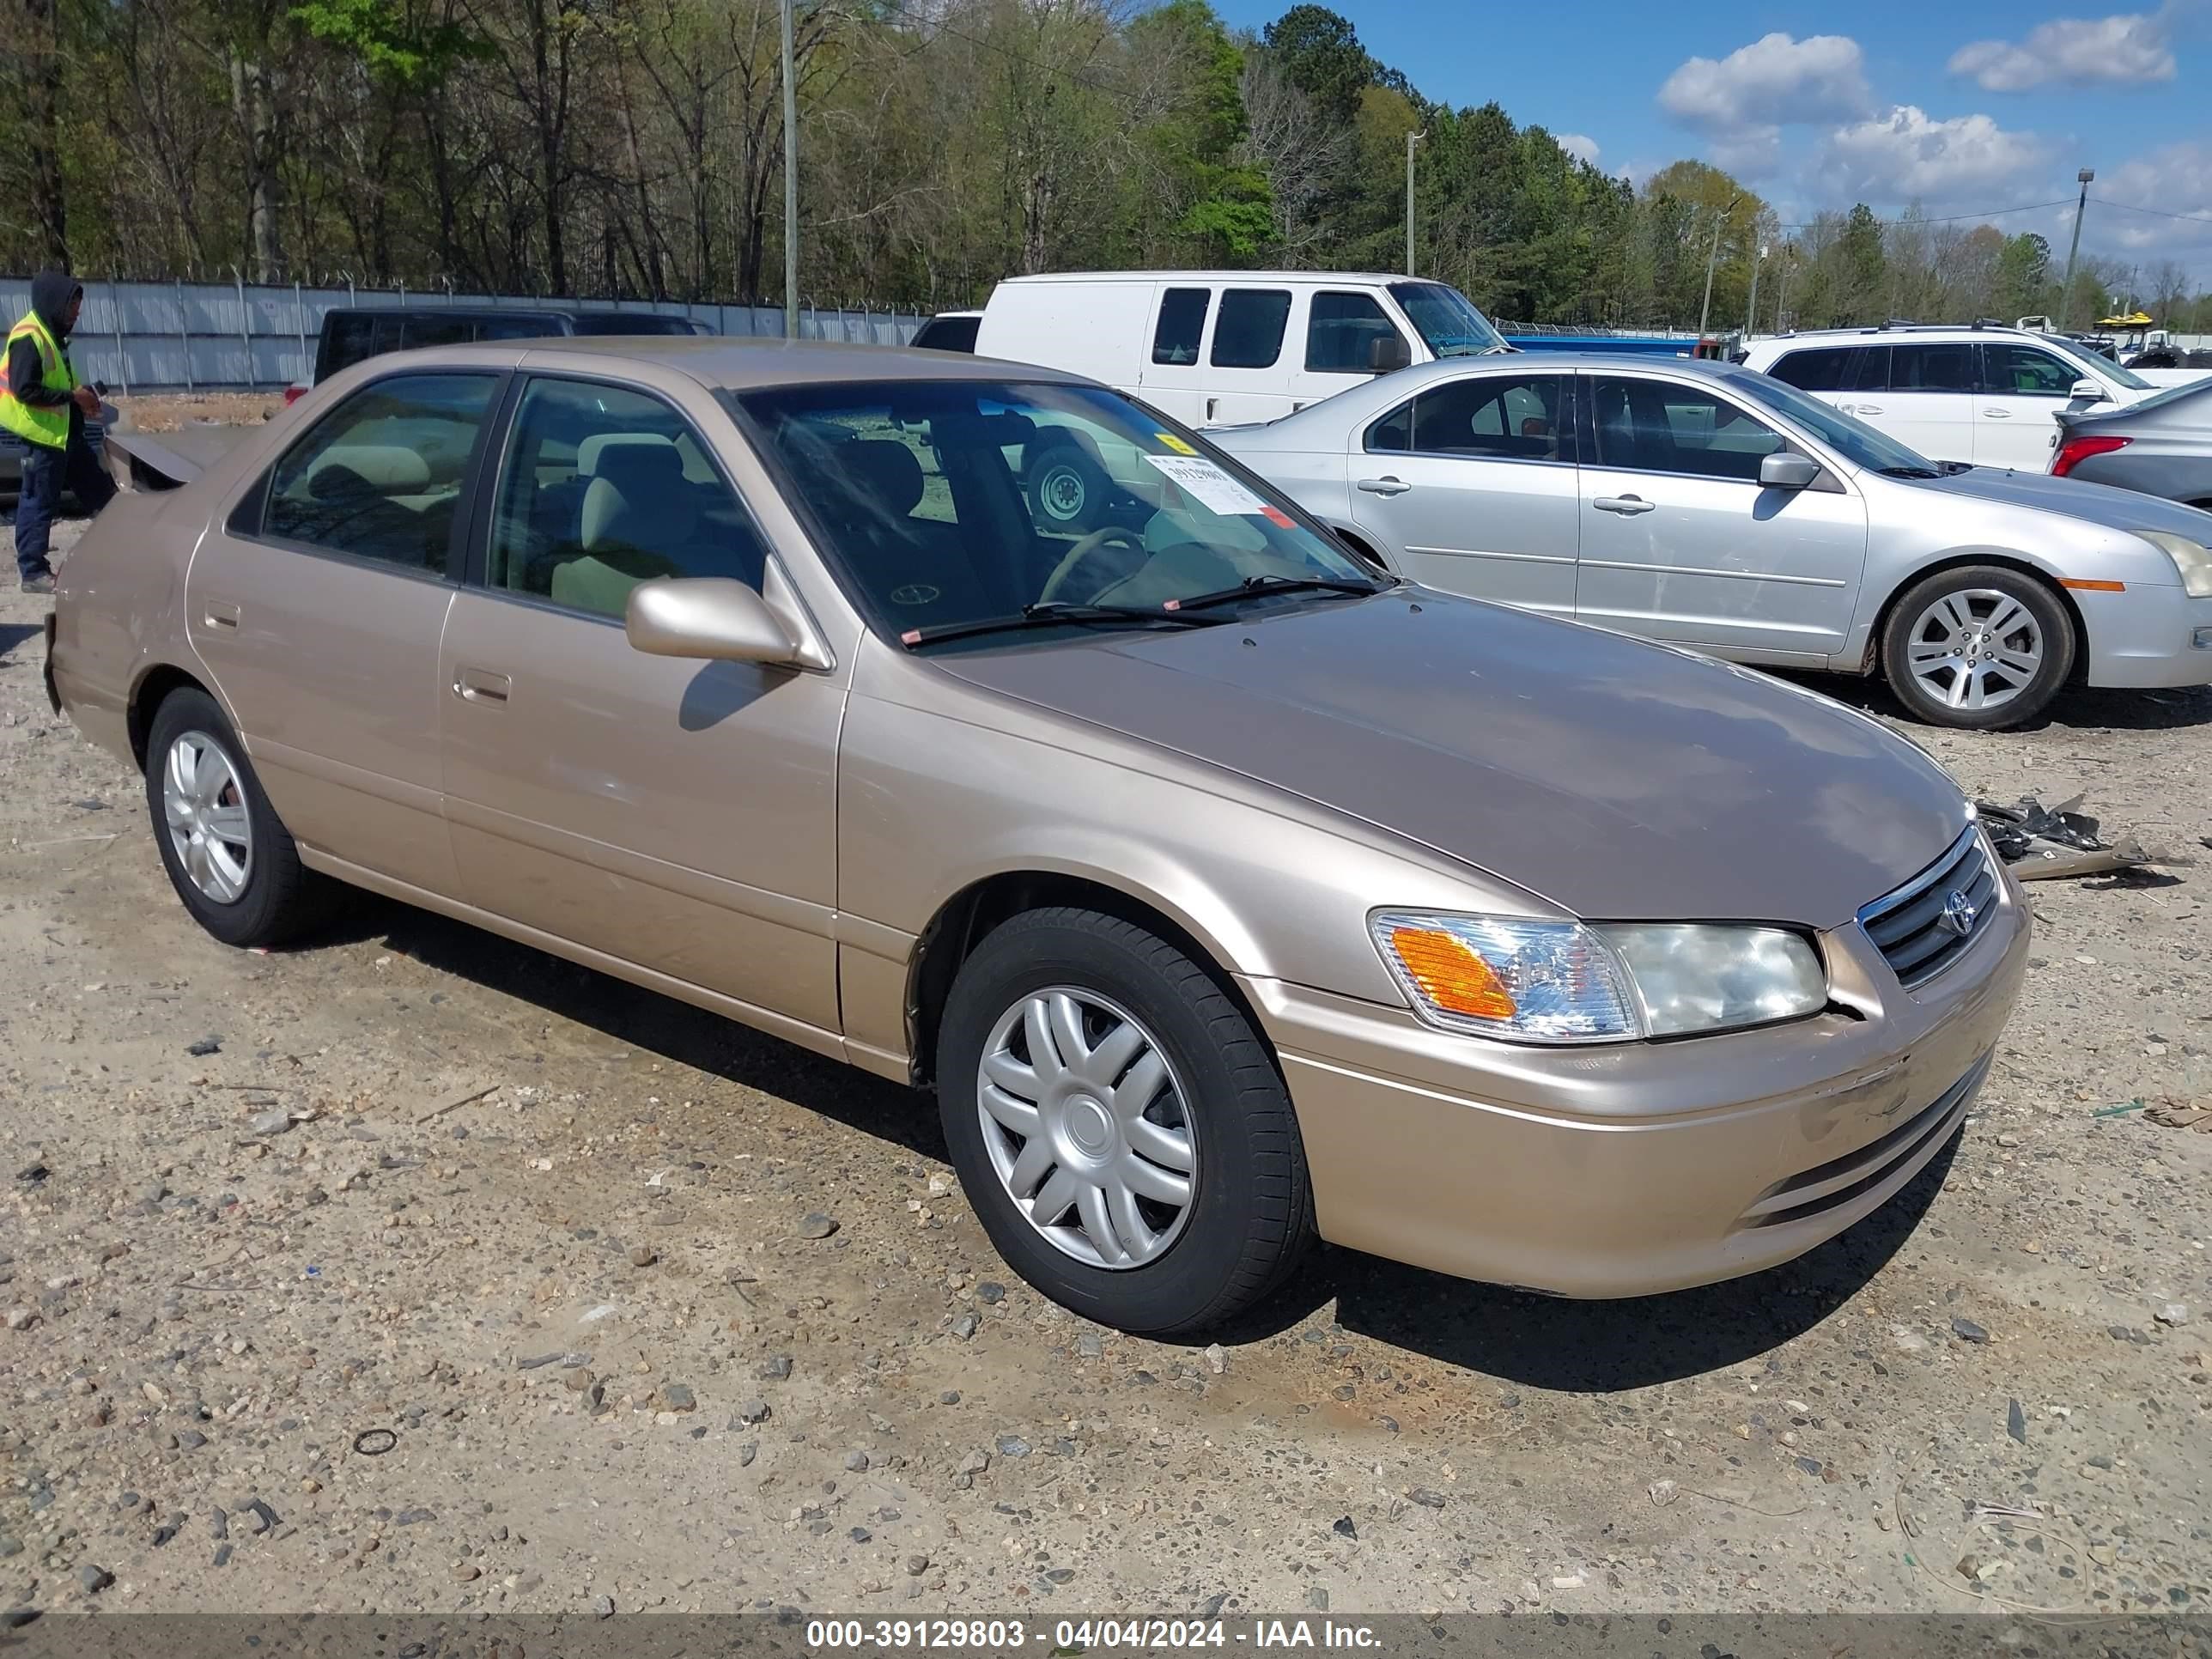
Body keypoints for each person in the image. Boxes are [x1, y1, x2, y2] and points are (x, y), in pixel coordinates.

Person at [3, 270, 116, 594]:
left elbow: (62, 384)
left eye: (78, 308)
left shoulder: (53, 335)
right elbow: (25, 389)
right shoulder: (29, 337)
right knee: (39, 501)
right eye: (71, 308)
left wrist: (83, 401)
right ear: (54, 303)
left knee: (100, 493)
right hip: (42, 437)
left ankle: (123, 552)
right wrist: (72, 398)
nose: (75, 314)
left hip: (66, 433)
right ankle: (33, 571)